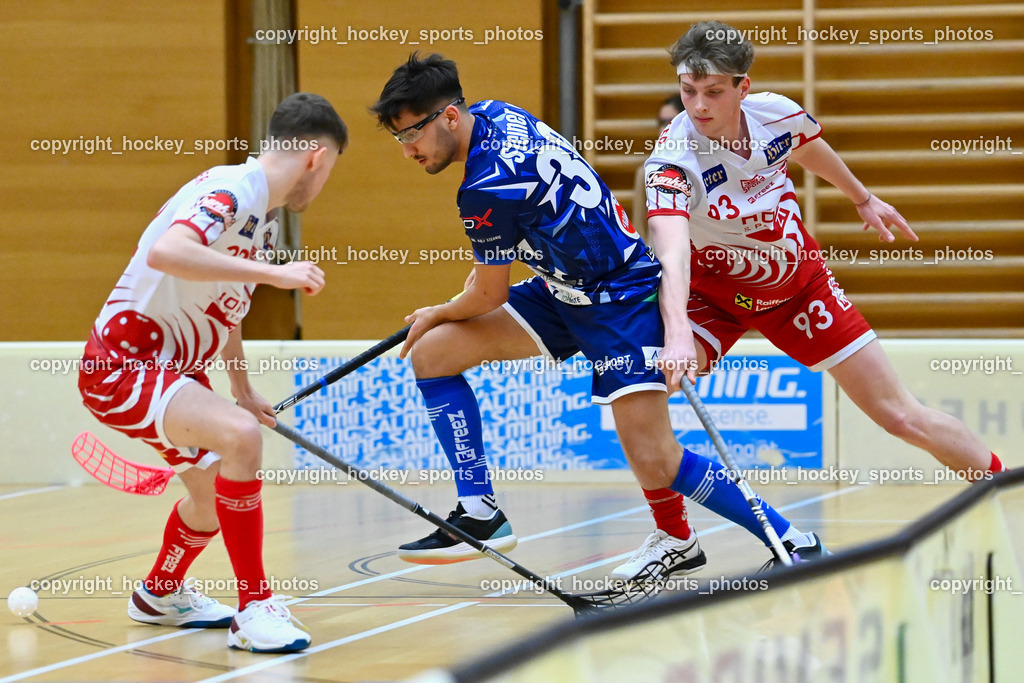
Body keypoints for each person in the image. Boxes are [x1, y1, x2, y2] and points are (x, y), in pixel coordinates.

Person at [369, 53, 826, 580]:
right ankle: (480, 512)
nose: (407, 151)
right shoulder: (499, 113)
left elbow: (489, 294)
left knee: (656, 454)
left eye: (412, 135)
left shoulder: (483, 189)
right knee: (434, 354)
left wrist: (438, 310)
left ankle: (791, 538)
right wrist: (446, 315)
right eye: (398, 138)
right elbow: (494, 276)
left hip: (621, 300)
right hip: (565, 290)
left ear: (450, 116)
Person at [638, 20, 1005, 568]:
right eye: (689, 90)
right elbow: (670, 251)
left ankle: (1003, 494)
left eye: (714, 91)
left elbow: (810, 148)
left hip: (797, 285)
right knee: (639, 396)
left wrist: (862, 199)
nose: (699, 105)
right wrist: (675, 336)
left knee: (900, 416)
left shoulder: (775, 114)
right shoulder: (672, 161)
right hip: (710, 297)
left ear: (743, 86)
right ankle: (676, 538)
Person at [77, 93, 347, 652]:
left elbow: (227, 311)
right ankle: (254, 609)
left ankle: (159, 593)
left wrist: (241, 388)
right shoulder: (229, 191)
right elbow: (170, 252)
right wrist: (274, 276)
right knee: (241, 441)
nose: (323, 187)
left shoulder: (263, 223)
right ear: (317, 157)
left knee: (212, 495)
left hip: (172, 373)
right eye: (331, 172)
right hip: (125, 364)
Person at [632, 94, 684, 242]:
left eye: (669, 122)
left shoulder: (704, 169)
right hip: (658, 257)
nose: (663, 130)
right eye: (661, 123)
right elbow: (639, 228)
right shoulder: (645, 172)